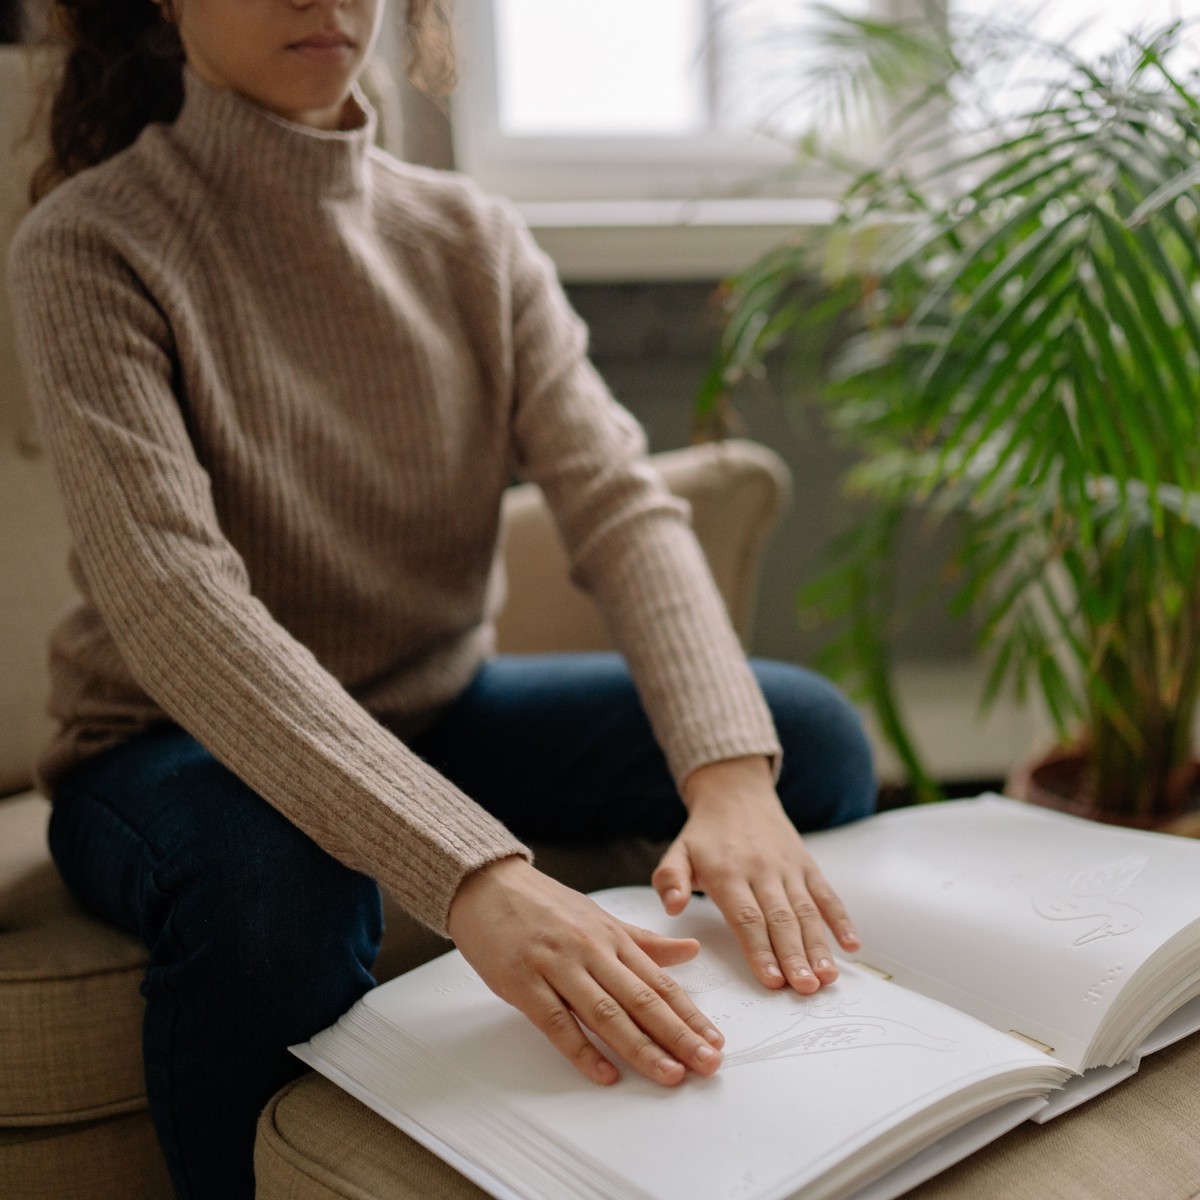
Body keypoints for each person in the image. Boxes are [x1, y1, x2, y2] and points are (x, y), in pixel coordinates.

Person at [7, 1, 876, 1196]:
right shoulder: (89, 243)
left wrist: (728, 778)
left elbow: (620, 505)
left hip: (432, 704)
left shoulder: (473, 236)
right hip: (171, 747)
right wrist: (476, 877)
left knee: (805, 737)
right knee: (281, 886)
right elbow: (173, 602)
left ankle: (774, 1119)